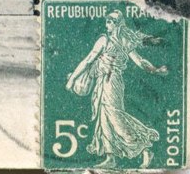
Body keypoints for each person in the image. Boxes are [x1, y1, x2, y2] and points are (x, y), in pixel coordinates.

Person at [66, 10, 167, 168]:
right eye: (107, 21)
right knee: (104, 118)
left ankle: (144, 149)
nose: (108, 24)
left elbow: (139, 61)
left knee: (115, 117)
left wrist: (155, 70)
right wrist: (72, 79)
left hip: (114, 82)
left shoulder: (124, 41)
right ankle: (110, 157)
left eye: (112, 21)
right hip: (102, 81)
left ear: (119, 23)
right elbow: (87, 60)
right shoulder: (103, 40)